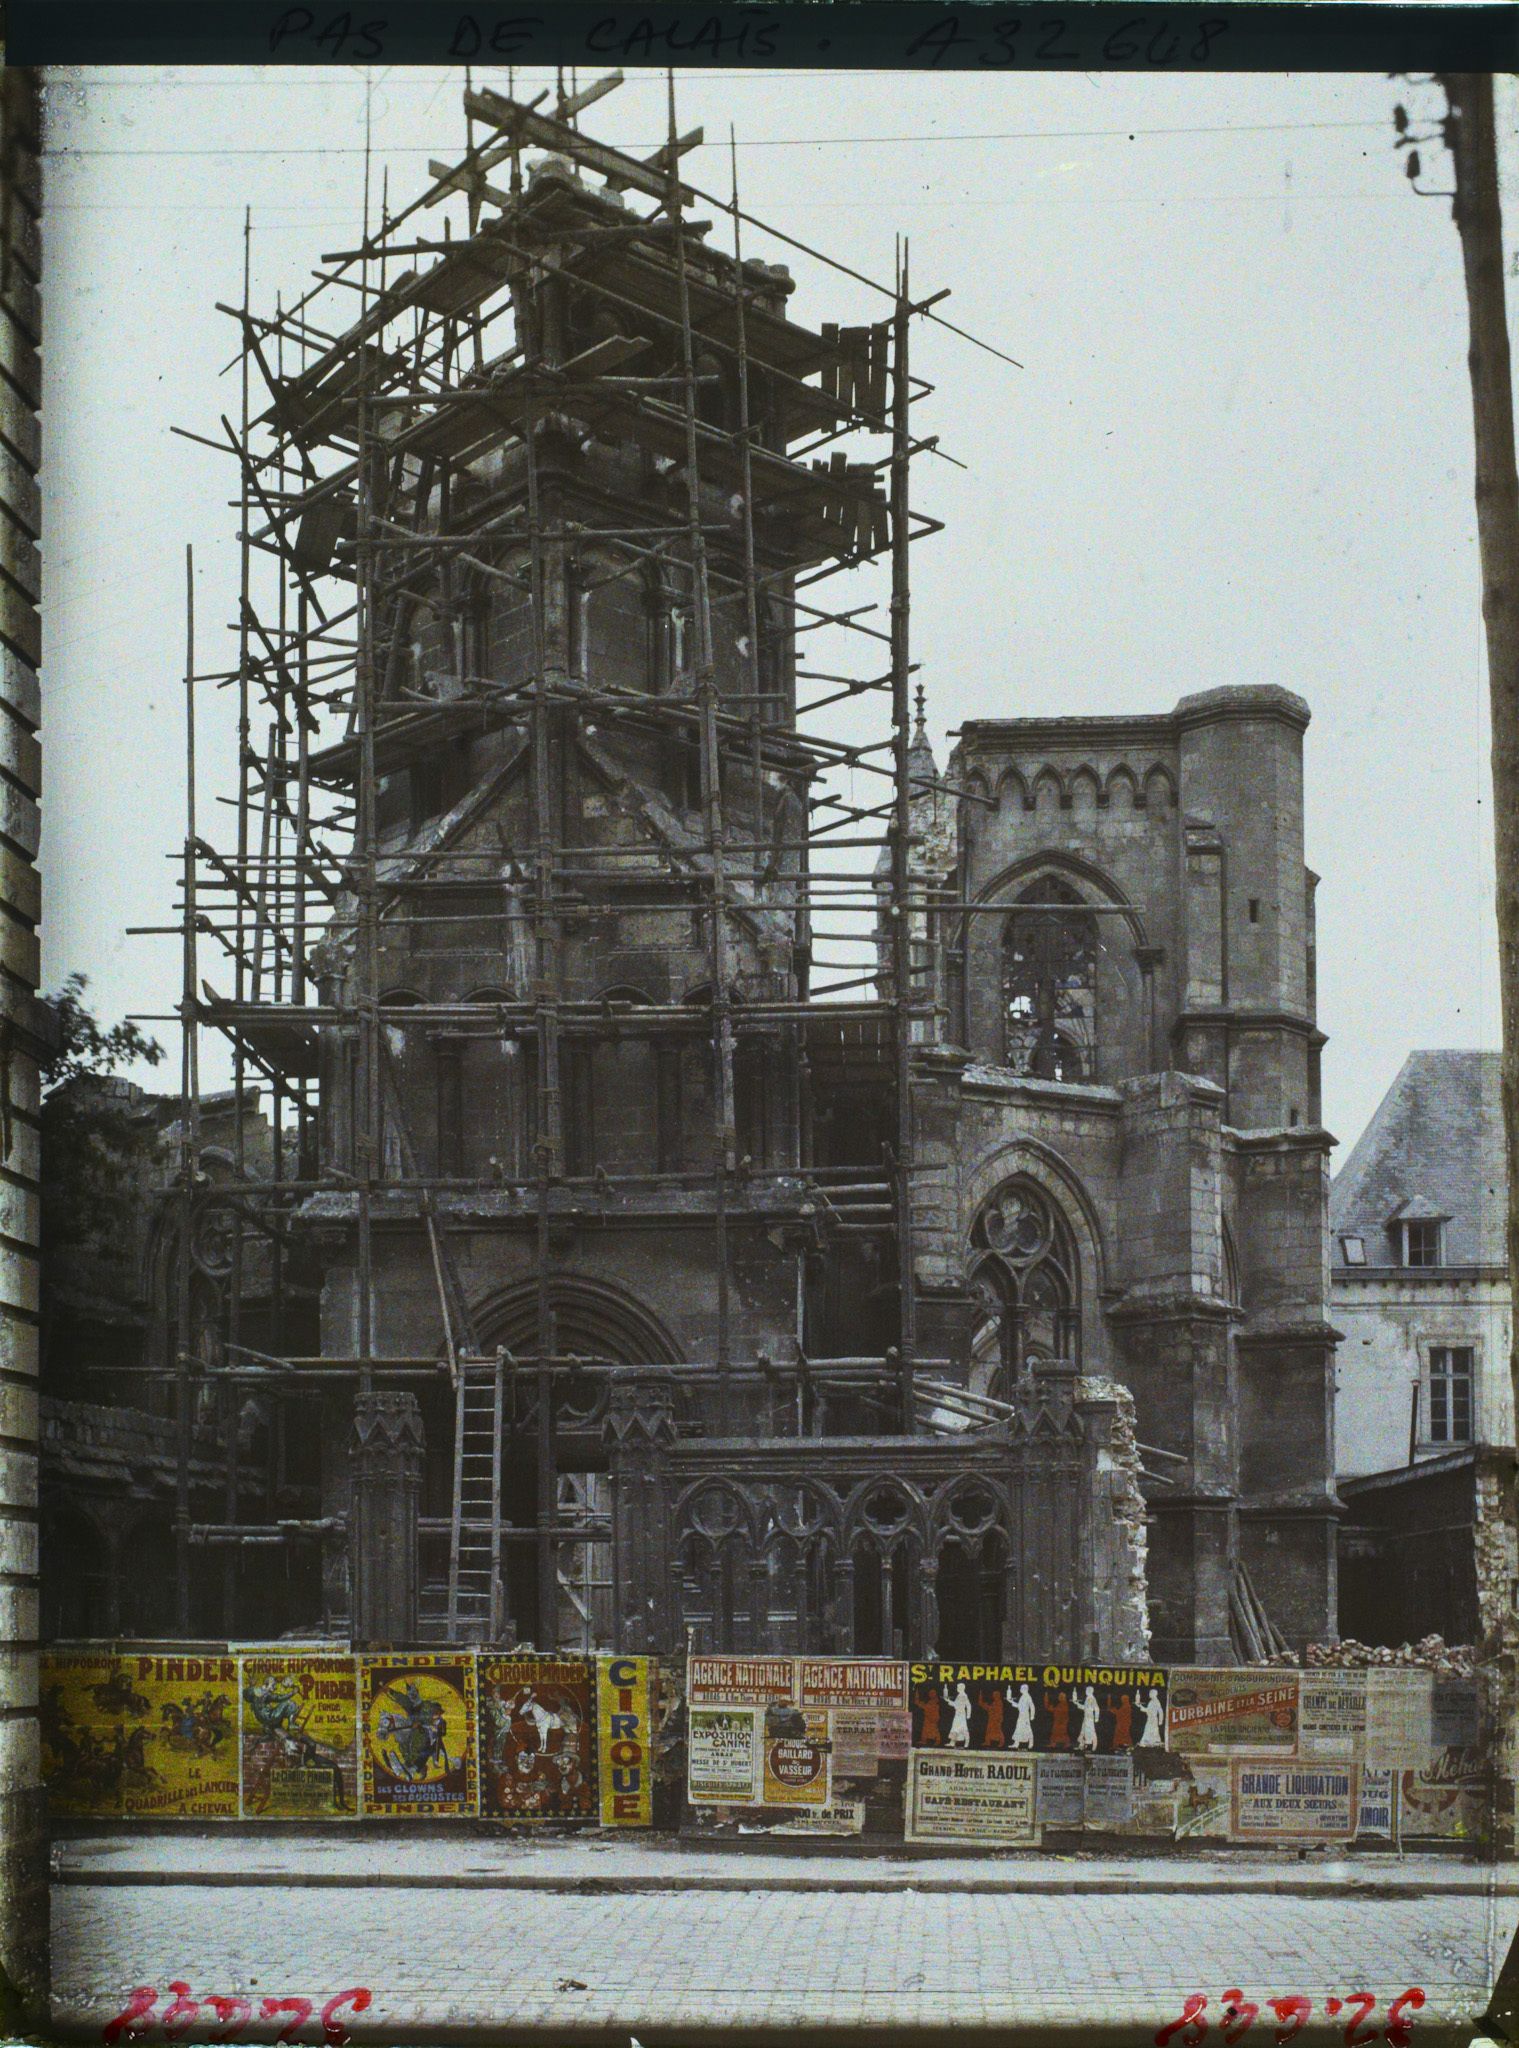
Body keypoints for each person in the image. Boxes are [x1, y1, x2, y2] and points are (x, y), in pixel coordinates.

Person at [1010, 1683, 1036, 1749]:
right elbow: (1019, 1706)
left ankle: (1031, 1743)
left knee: (1027, 1729)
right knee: (1018, 1728)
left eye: (1021, 1688)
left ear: (1025, 1689)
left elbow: (1032, 1706)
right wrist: (1012, 1702)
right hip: (1021, 1715)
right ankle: (1016, 1744)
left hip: (1025, 1716)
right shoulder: (1023, 1696)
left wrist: (1032, 1715)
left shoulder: (1027, 1696)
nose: (1020, 1689)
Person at [1075, 1684, 1101, 1752]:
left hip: (1089, 1718)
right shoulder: (1088, 1698)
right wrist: (1078, 1704)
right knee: (1083, 1730)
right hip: (1086, 1717)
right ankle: (1082, 1745)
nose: (1086, 1691)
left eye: (1087, 1690)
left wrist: (1096, 1718)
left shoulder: (1092, 1699)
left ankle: (1089, 1746)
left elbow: (1097, 1708)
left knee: (1089, 1731)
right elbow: (1085, 1708)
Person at [947, 1681, 973, 1748]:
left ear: (961, 1688)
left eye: (958, 1687)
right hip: (959, 1714)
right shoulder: (960, 1695)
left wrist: (968, 1715)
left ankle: (966, 1743)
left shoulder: (963, 1695)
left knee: (963, 1728)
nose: (957, 1688)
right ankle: (952, 1742)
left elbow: (966, 1705)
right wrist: (949, 1701)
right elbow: (957, 1704)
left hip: (960, 1714)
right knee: (955, 1727)